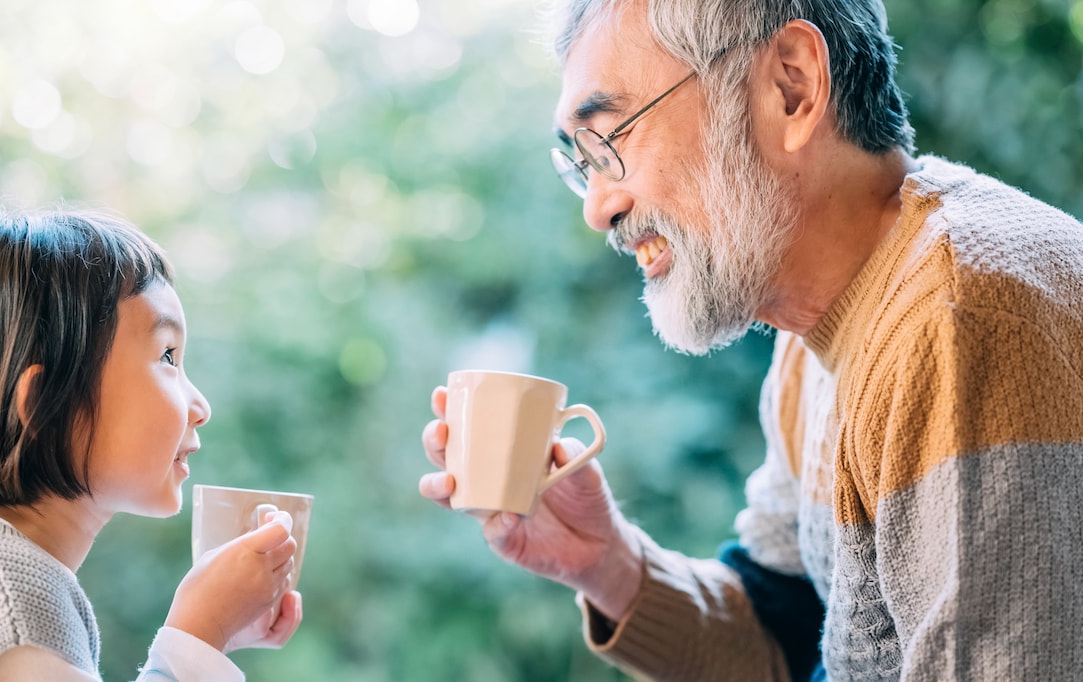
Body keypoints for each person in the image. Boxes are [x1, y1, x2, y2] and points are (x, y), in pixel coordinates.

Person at [419, 0, 1083, 679]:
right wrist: (607, 562)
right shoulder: (812, 336)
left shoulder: (960, 320)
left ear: (789, 86)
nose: (598, 207)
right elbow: (788, 635)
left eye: (611, 138)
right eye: (582, 164)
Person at [0, 210, 302, 681]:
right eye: (167, 356)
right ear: (49, 405)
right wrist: (201, 633)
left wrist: (222, 626)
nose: (201, 406)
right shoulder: (7, 605)